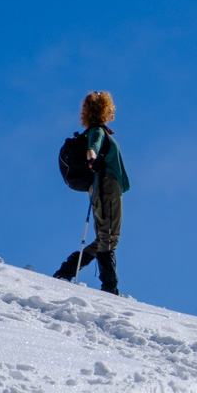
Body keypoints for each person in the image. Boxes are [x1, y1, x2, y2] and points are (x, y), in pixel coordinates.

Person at [53, 91, 130, 294]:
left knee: (110, 237)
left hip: (108, 186)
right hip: (105, 185)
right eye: (111, 107)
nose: (114, 110)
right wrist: (92, 159)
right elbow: (92, 148)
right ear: (102, 109)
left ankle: (71, 270)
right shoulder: (97, 131)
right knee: (108, 236)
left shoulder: (101, 130)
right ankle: (108, 287)